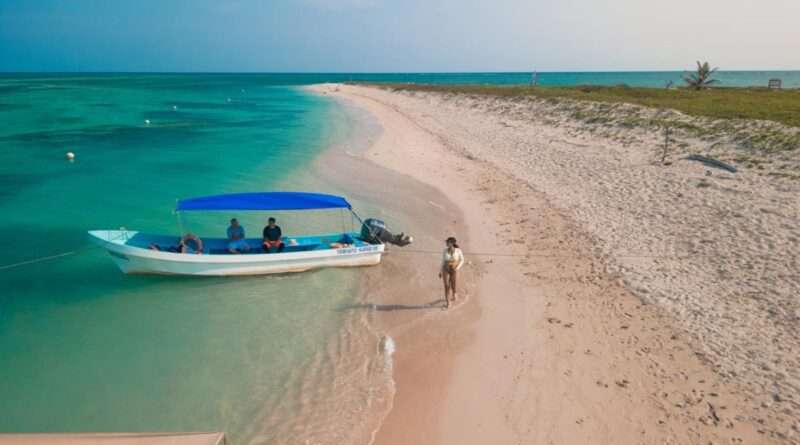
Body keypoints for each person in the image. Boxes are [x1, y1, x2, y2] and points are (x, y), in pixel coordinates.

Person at [439, 236, 464, 309]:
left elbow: (462, 260)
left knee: (453, 284)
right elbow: (443, 261)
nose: (446, 243)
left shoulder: (458, 251)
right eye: (446, 242)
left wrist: (457, 268)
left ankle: (454, 293)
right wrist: (440, 271)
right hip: (445, 269)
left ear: (452, 243)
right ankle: (448, 303)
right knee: (446, 286)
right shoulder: (444, 250)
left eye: (448, 242)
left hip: (453, 270)